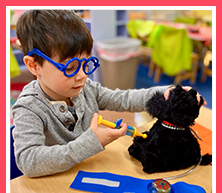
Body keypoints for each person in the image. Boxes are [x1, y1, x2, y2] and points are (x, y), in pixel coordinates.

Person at [11, 10, 202, 178]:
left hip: (90, 170)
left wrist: (165, 92)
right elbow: (29, 162)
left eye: (86, 64)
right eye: (70, 67)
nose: (82, 76)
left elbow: (124, 99)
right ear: (34, 65)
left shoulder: (86, 89)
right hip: (56, 185)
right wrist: (90, 143)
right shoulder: (28, 108)